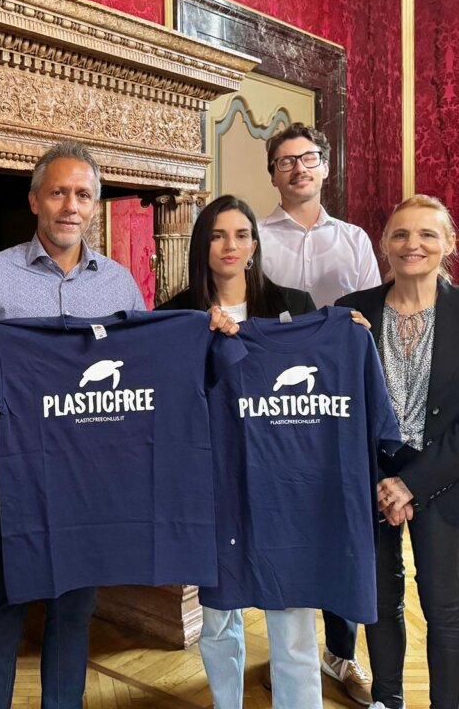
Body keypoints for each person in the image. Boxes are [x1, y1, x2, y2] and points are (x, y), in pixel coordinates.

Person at [0, 141, 147, 709]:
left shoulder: (119, 285)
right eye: (59, 192)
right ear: (35, 200)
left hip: (91, 473)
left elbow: (143, 370)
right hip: (13, 468)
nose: (71, 205)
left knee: (73, 615)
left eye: (83, 195)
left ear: (94, 206)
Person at [161, 194, 336, 708]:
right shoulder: (174, 315)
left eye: (241, 235)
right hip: (211, 480)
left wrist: (350, 331)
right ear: (202, 245)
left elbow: (322, 374)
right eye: (217, 235)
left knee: (292, 610)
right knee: (218, 613)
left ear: (255, 245)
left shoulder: (294, 305)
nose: (229, 246)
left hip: (284, 479)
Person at [337, 195, 459, 709]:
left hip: (447, 477)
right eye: (400, 234)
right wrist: (379, 478)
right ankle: (386, 699)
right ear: (384, 245)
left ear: (449, 243)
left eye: (427, 234)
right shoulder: (352, 311)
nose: (413, 244)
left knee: (444, 603)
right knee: (379, 598)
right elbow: (340, 406)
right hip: (371, 479)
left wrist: (411, 483)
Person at [258, 122, 380, 704]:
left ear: (325, 167)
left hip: (337, 398)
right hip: (274, 402)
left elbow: (370, 319)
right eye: (285, 161)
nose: (298, 168)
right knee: (284, 517)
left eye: (307, 158)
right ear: (273, 174)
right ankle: (289, 654)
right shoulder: (254, 236)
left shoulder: (354, 240)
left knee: (338, 515)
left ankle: (341, 654)